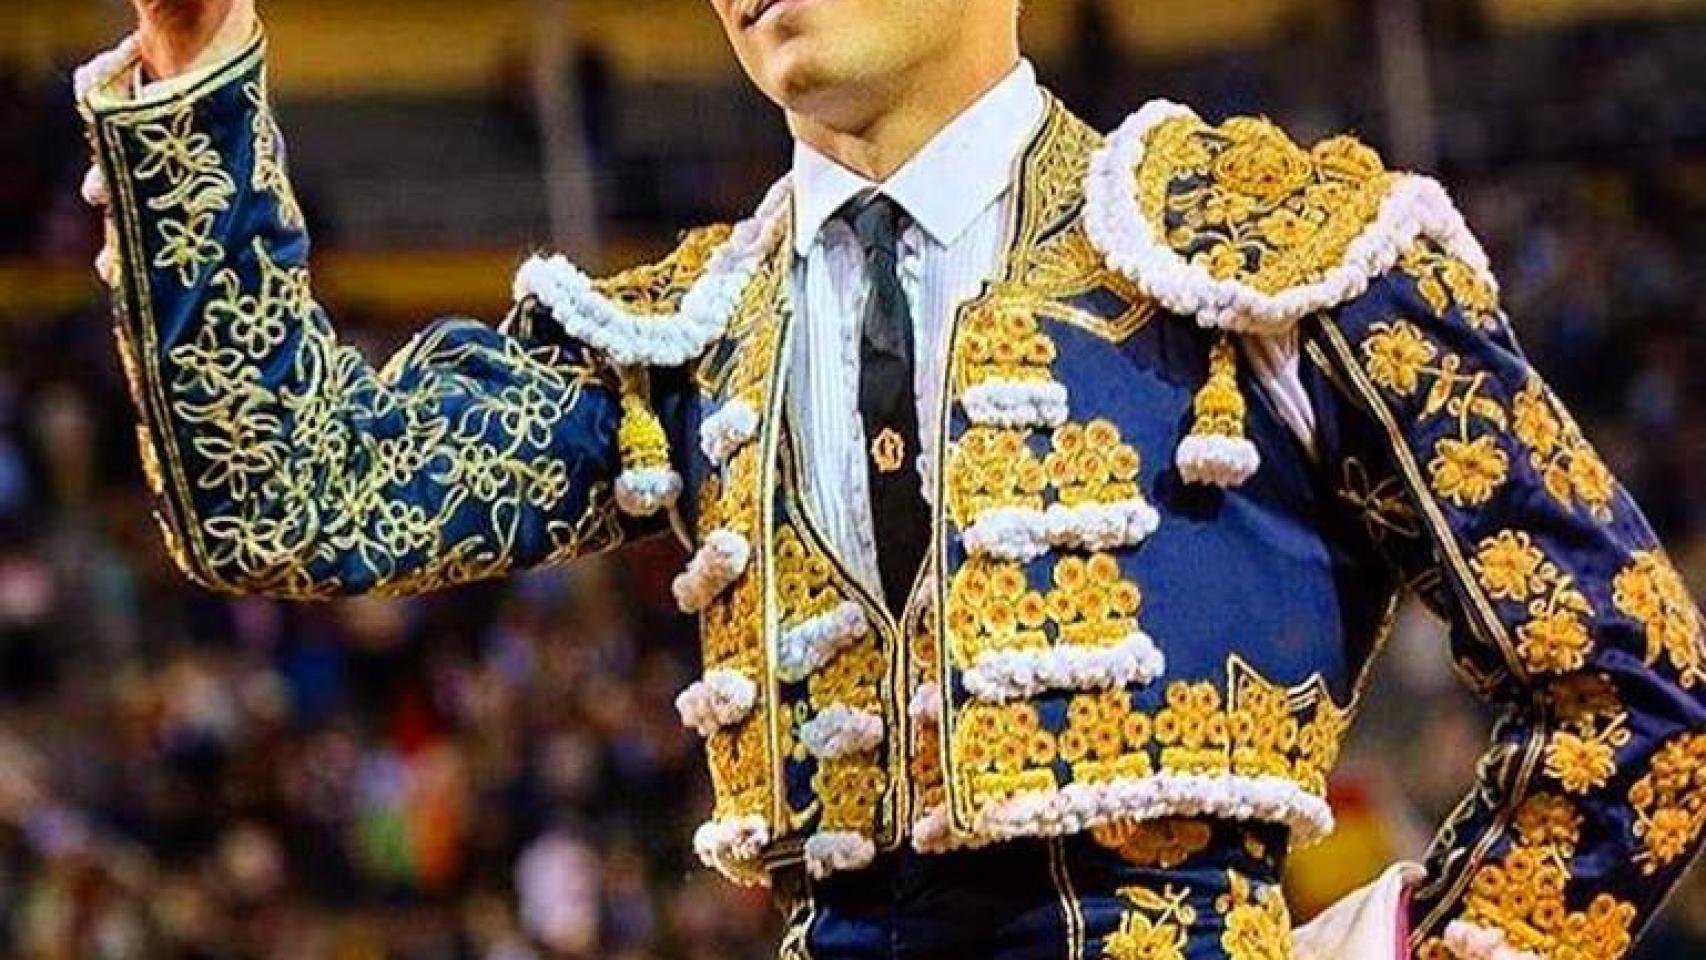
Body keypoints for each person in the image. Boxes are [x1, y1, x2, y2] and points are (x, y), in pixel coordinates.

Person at [73, 0, 1706, 957]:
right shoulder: (694, 335)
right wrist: (190, 64)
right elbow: (288, 494)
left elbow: (1628, 688)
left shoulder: (1253, 248)